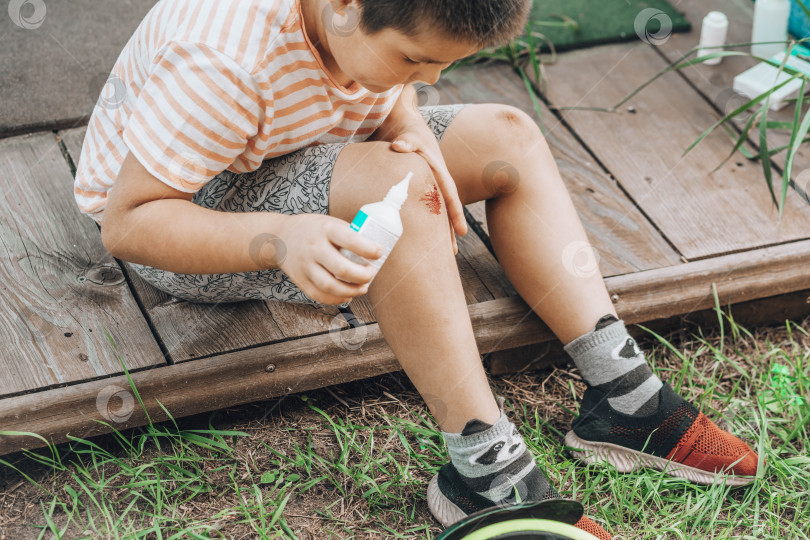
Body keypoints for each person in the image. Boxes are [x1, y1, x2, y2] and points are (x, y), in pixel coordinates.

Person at [74, 0, 760, 537]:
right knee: (403, 190)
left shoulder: (353, 25)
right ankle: (481, 468)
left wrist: (399, 113)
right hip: (197, 212)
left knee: (509, 138)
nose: (431, 80)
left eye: (437, 67)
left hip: (293, 142)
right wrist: (280, 239)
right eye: (413, 59)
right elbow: (129, 223)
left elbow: (385, 79)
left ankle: (623, 396)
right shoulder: (223, 62)